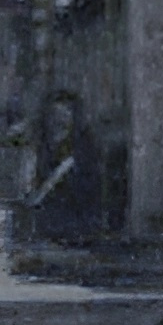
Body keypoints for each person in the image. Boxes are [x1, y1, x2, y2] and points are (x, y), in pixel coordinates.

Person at [14, 89, 106, 244]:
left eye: (66, 114)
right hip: (44, 229)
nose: (59, 121)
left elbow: (88, 197)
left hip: (75, 231)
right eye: (54, 115)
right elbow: (28, 195)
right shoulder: (39, 150)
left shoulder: (84, 154)